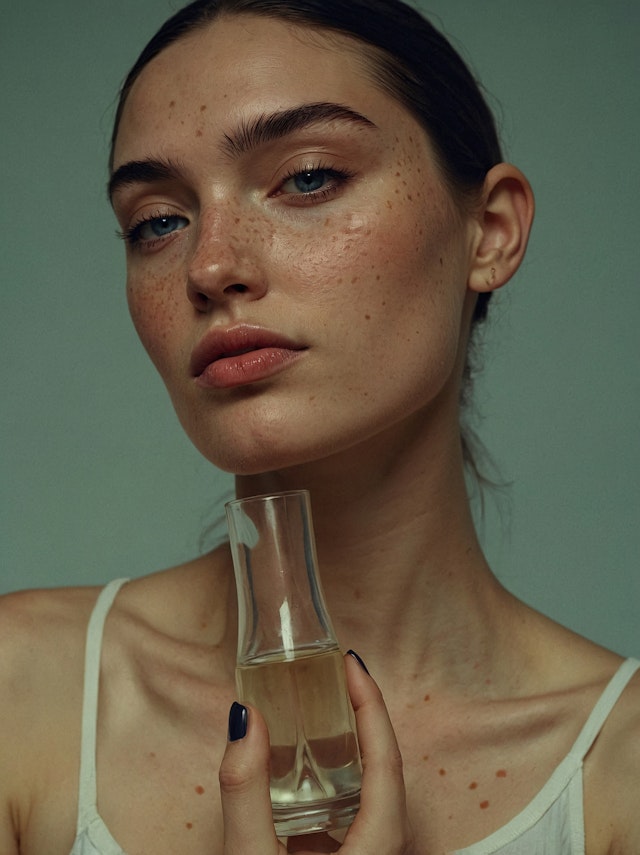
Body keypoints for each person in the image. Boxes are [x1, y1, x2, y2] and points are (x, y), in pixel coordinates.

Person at [1, 0, 638, 853]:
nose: (212, 264)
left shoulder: (618, 767)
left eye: (307, 176)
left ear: (488, 231)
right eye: (158, 220)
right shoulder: (21, 692)